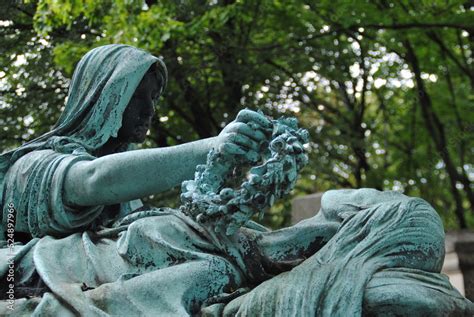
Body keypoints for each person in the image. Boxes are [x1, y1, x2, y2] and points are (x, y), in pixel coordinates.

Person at [0, 44, 472, 316]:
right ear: (102, 97)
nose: (146, 113)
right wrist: (212, 148)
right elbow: (94, 181)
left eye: (150, 100)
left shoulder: (136, 210)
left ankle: (339, 231)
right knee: (187, 247)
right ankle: (334, 232)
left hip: (144, 256)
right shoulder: (33, 165)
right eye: (135, 98)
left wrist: (222, 176)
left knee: (197, 242)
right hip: (48, 271)